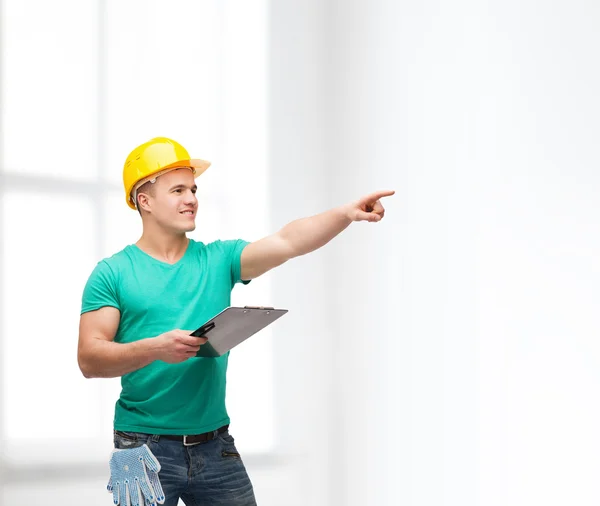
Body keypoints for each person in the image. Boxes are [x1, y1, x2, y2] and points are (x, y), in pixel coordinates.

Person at [77, 136, 394, 506]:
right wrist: (156, 348)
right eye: (178, 189)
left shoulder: (219, 259)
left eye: (193, 189)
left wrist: (344, 214)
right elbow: (90, 358)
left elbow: (288, 241)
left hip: (215, 446)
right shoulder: (112, 273)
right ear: (144, 201)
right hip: (140, 448)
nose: (192, 198)